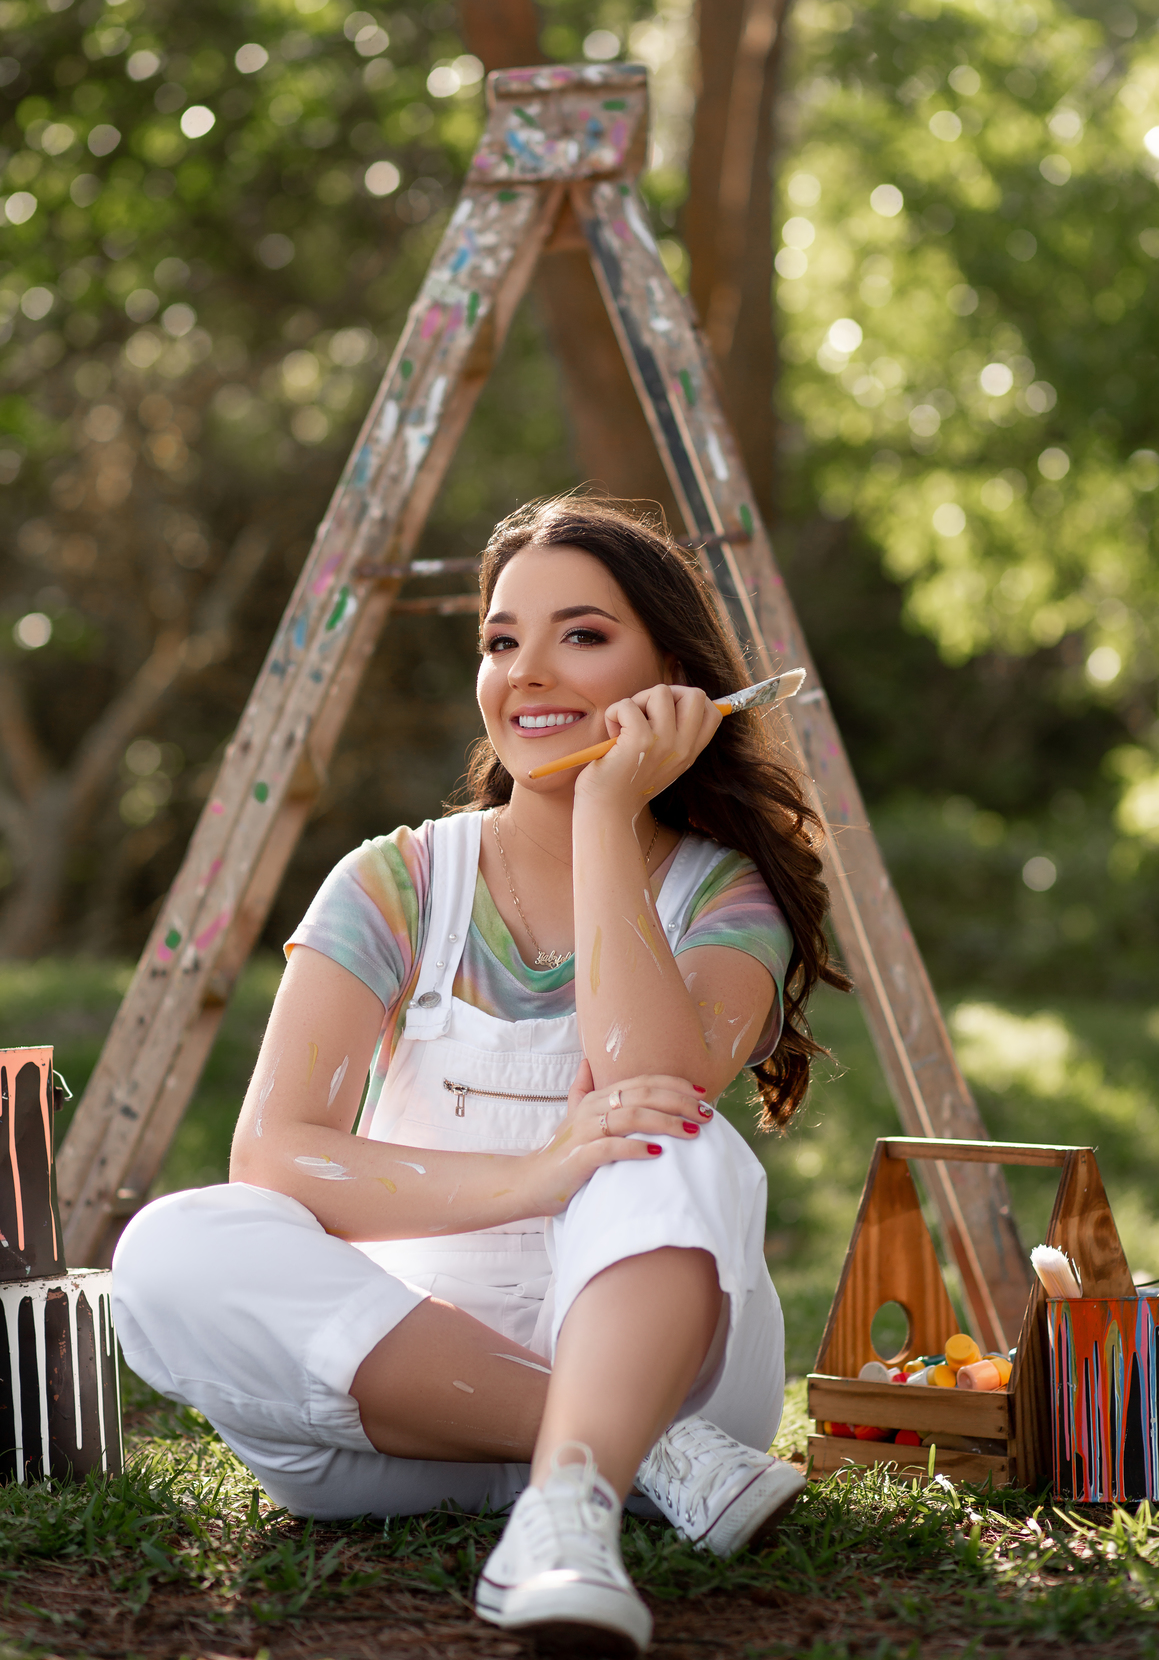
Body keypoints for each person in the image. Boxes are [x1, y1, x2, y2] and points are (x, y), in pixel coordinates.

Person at [112, 496, 847, 1657]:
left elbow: (654, 1074)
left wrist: (605, 809)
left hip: (676, 1373)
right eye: (502, 641)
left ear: (672, 674)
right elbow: (279, 1155)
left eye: (583, 635)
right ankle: (627, 1460)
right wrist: (532, 1176)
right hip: (390, 1419)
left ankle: (572, 1506)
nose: (527, 672)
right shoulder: (392, 883)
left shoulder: (723, 893)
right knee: (170, 1244)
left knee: (666, 1128)